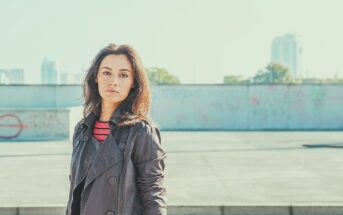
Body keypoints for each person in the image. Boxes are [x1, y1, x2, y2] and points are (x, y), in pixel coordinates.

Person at [65, 43, 167, 215]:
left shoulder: (142, 131)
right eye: (106, 73)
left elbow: (153, 191)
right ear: (96, 76)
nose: (113, 81)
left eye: (123, 75)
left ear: (133, 82)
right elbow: (75, 193)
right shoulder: (82, 129)